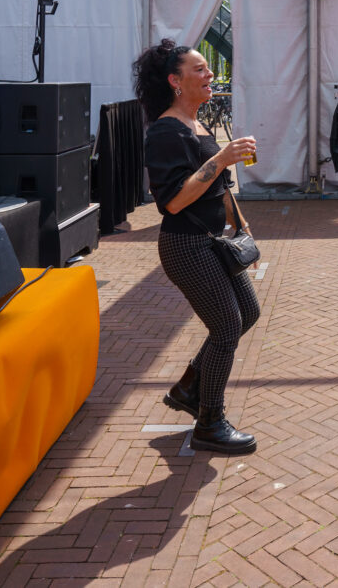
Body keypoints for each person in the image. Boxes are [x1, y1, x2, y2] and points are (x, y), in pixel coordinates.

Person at [134, 38, 261, 454]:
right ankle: (210, 421)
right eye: (200, 70)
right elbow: (173, 201)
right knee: (225, 327)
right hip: (186, 247)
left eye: (209, 70)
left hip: (213, 242)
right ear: (175, 81)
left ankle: (190, 387)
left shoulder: (198, 125)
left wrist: (240, 226)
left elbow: (219, 187)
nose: (210, 76)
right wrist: (222, 159)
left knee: (248, 313)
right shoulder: (166, 132)